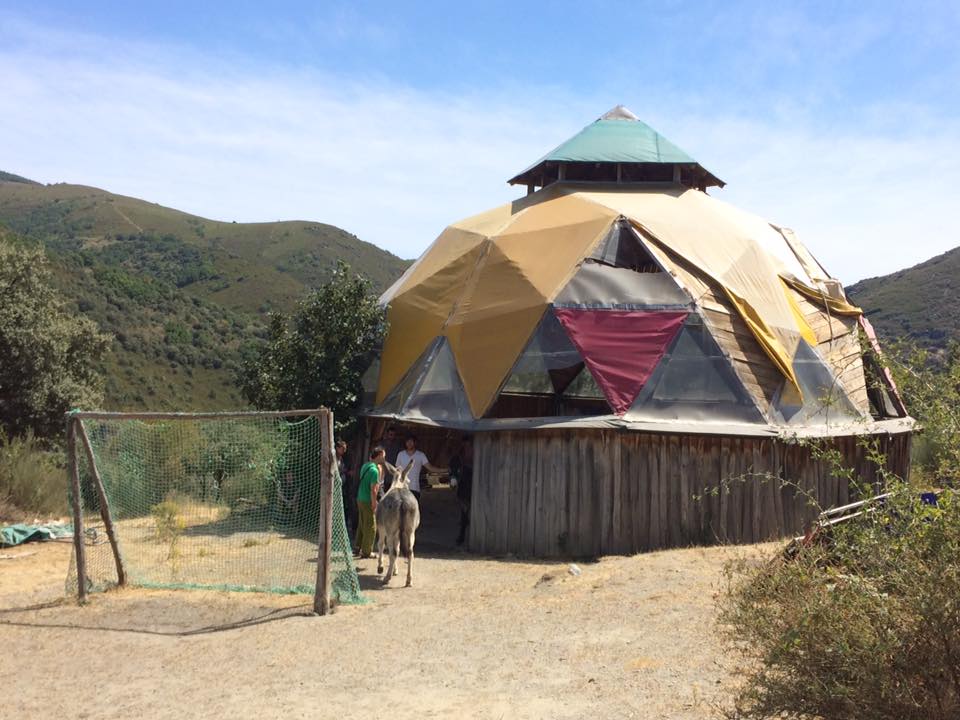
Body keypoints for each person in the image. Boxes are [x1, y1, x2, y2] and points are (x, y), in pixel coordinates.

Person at [395, 435, 447, 503]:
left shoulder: (421, 455)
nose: (409, 443)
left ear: (415, 443)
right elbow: (397, 471)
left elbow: (430, 468)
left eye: (411, 441)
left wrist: (445, 470)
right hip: (402, 488)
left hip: (415, 489)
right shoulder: (400, 454)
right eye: (407, 441)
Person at [354, 446, 384, 559]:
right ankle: (367, 551)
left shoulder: (365, 466)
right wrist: (374, 503)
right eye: (383, 456)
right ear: (379, 456)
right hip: (367, 500)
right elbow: (374, 490)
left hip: (360, 498)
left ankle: (357, 547)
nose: (384, 459)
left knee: (362, 524)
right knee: (371, 527)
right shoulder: (374, 471)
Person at [449, 435, 473, 546]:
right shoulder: (459, 455)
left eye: (467, 443)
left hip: (471, 478)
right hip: (463, 479)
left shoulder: (474, 452)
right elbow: (454, 467)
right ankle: (462, 534)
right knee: (463, 508)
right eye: (464, 443)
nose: (466, 446)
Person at [335, 440, 355, 536]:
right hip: (335, 487)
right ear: (337, 448)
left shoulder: (341, 458)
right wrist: (347, 472)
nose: (344, 450)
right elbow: (336, 471)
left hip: (342, 486)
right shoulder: (334, 458)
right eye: (343, 449)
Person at [379, 426, 404, 493]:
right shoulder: (382, 444)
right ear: (387, 434)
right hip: (383, 469)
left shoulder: (398, 445)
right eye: (390, 434)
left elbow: (402, 455)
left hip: (393, 470)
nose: (392, 436)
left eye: (394, 435)